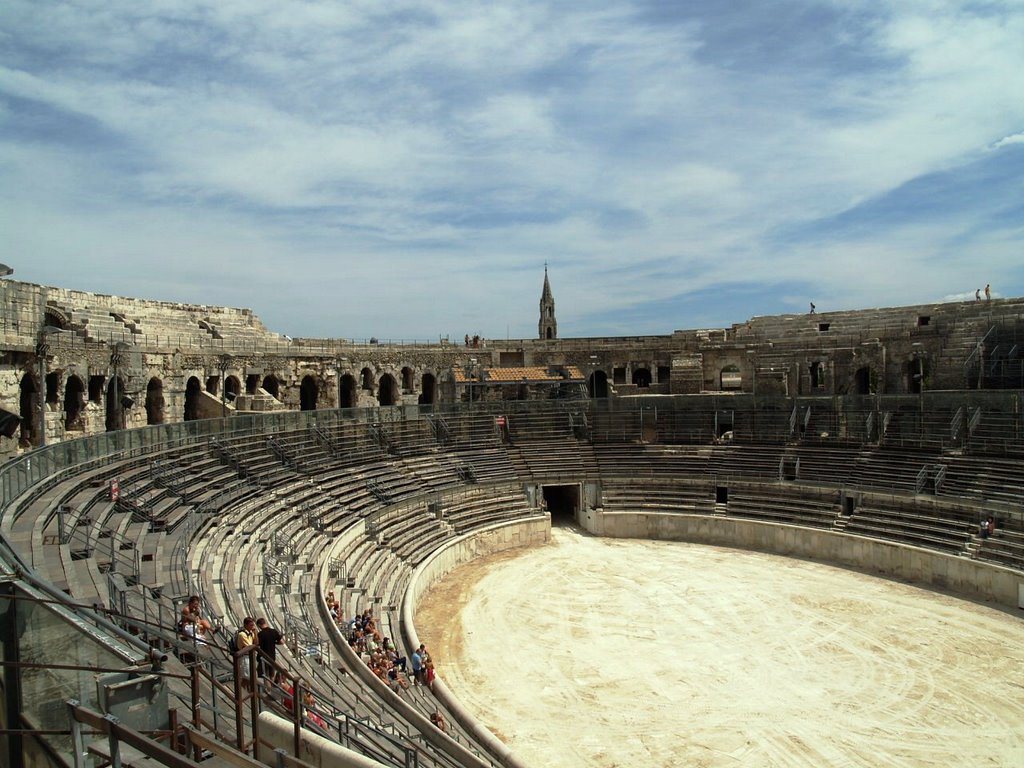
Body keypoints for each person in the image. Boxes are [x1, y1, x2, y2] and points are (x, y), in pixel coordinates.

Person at [256, 618, 284, 684]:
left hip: (263, 657)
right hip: (272, 657)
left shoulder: (260, 634)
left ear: (259, 625)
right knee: (272, 675)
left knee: (266, 676)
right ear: (265, 622)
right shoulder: (274, 631)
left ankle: (267, 691)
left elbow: (257, 644)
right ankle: (272, 690)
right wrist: (274, 643)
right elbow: (282, 642)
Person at [235, 617, 258, 690]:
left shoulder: (251, 632)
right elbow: (249, 646)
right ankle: (242, 690)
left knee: (250, 676)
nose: (252, 627)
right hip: (245, 657)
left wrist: (255, 632)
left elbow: (256, 643)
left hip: (250, 656)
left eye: (253, 625)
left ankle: (245, 690)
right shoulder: (242, 634)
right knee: (247, 677)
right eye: (251, 625)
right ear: (246, 625)